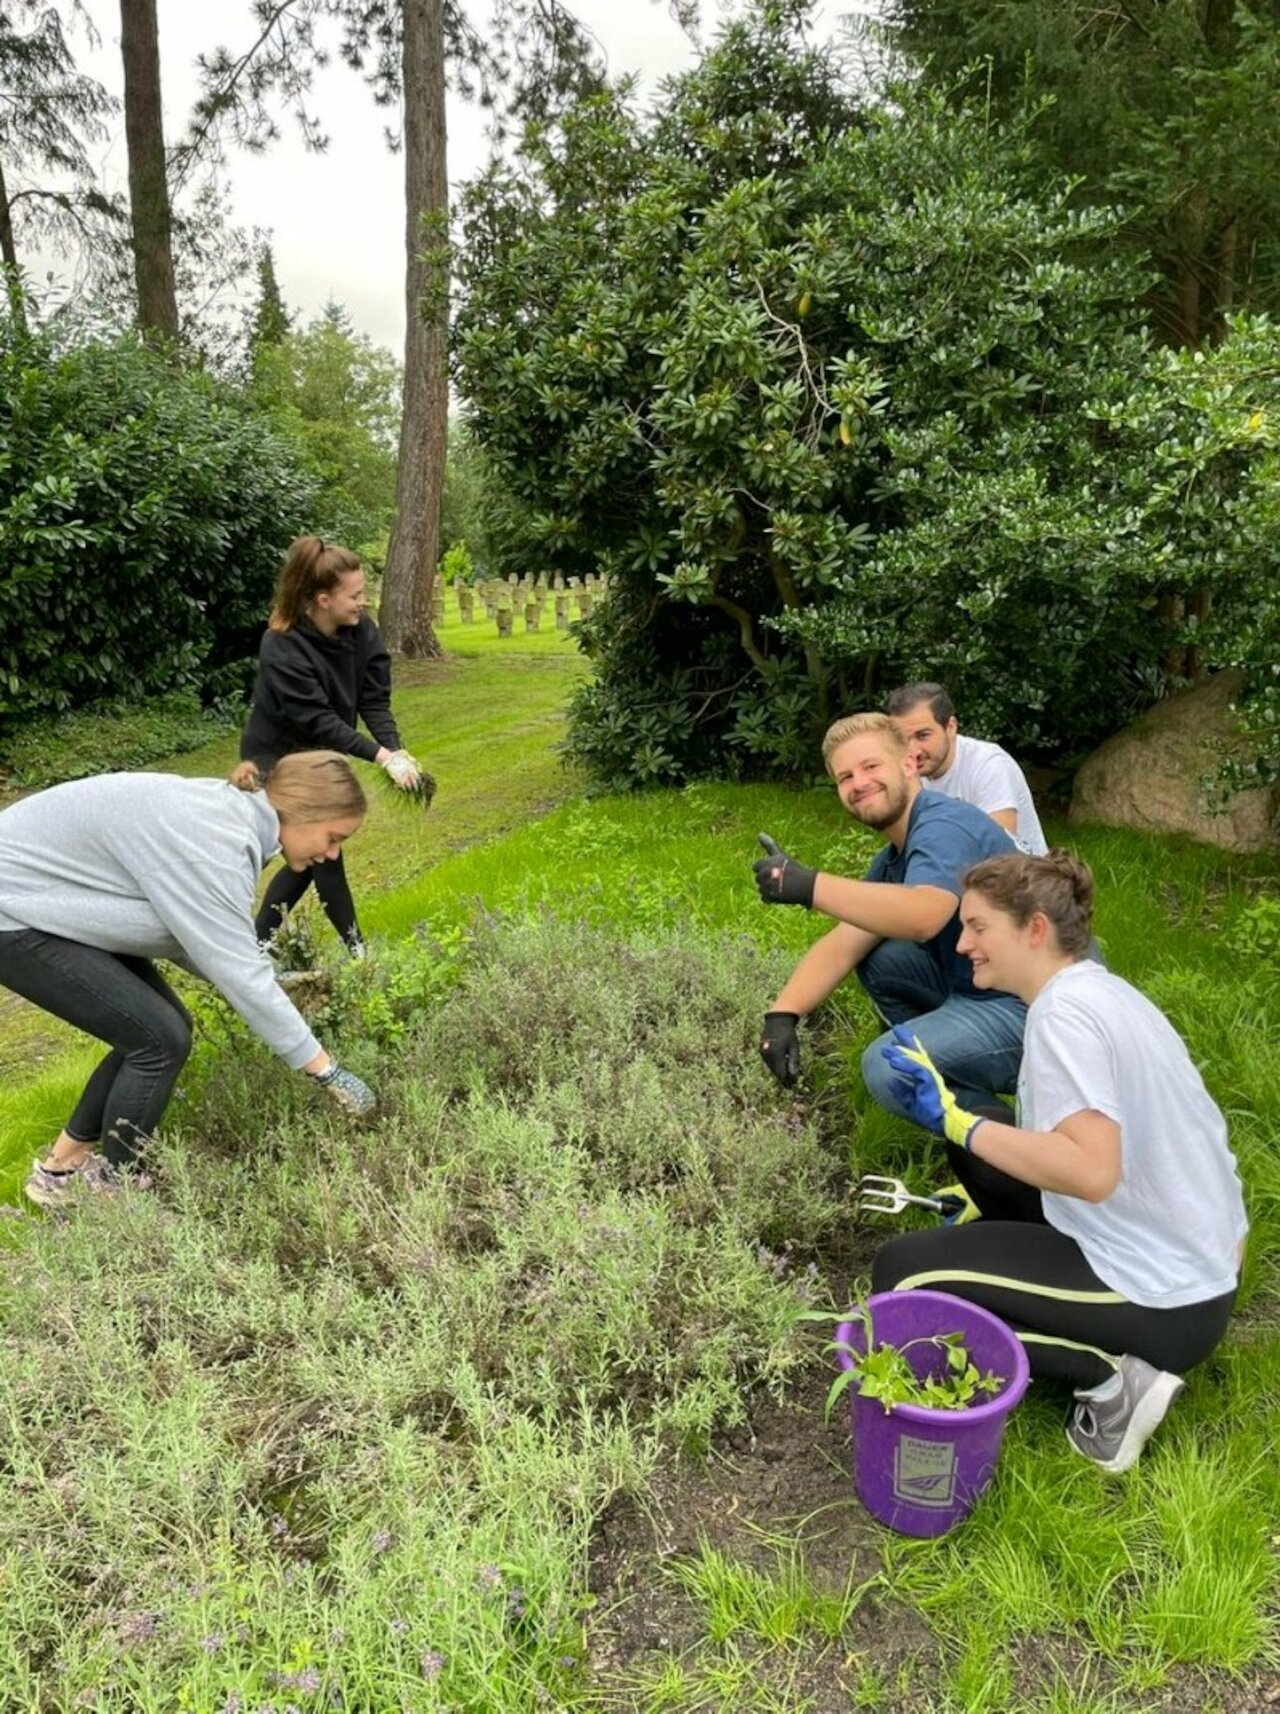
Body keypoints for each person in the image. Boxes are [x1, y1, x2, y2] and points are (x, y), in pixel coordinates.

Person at [871, 850, 1247, 1473]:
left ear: (1036, 928)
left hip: (1164, 1296)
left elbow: (1091, 1172)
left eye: (979, 927)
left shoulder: (1063, 1017)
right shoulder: (1103, 991)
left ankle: (1113, 1380)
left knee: (901, 1284)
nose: (962, 943)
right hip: (1195, 1260)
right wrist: (969, 1156)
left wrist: (957, 1121)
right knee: (982, 1145)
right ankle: (1064, 1307)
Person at [0, 753, 378, 1211]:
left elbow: (201, 940)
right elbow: (234, 968)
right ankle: (118, 1193)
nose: (333, 854)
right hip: (15, 908)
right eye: (333, 837)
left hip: (56, 903)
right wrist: (326, 1070)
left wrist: (271, 982)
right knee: (158, 1040)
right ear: (302, 813)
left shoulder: (230, 824)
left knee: (156, 1029)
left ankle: (60, 1172)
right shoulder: (217, 840)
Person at [754, 712, 1024, 1123]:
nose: (858, 783)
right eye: (844, 777)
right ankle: (964, 1097)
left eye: (870, 766)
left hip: (1037, 1010)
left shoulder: (944, 825)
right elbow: (843, 943)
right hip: (979, 990)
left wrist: (808, 886)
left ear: (909, 764)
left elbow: (925, 914)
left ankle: (1012, 1163)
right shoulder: (897, 855)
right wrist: (782, 1016)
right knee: (882, 958)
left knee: (890, 1066)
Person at [241, 535, 423, 957]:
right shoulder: (281, 644)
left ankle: (257, 945)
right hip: (276, 758)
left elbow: (373, 700)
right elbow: (318, 720)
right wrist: (379, 757)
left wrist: (395, 751)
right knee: (320, 852)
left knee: (311, 855)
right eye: (355, 595)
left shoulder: (362, 632)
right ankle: (357, 951)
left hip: (319, 758)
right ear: (323, 599)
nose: (363, 602)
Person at [886, 681, 1047, 856]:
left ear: (951, 727)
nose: (912, 751)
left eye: (923, 735)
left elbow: (998, 850)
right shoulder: (909, 769)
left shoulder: (989, 764)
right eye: (903, 739)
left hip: (1022, 877)